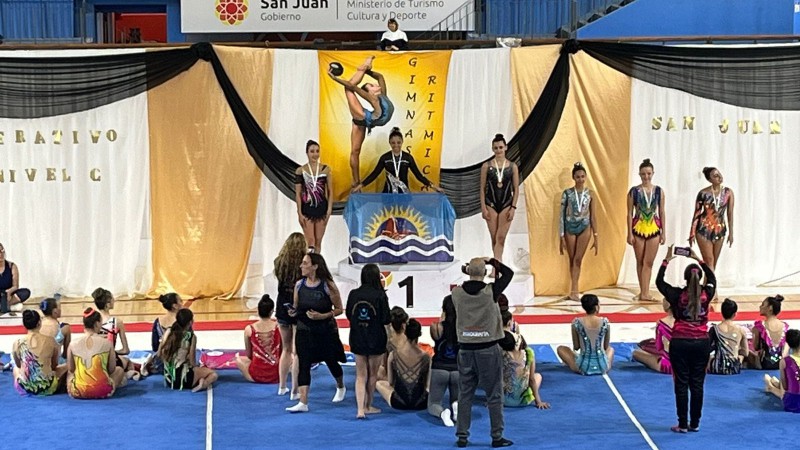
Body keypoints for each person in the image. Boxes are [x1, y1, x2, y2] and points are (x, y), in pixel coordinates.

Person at [452, 257, 514, 448]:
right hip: (487, 348)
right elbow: (509, 274)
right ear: (486, 273)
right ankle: (497, 436)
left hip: (465, 349)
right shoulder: (491, 292)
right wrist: (493, 261)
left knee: (465, 394)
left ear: (467, 271)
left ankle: (462, 435)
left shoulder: (456, 293)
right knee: (494, 394)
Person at [656, 245, 716, 433]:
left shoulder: (677, 295)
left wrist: (666, 260)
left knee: (681, 383)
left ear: (685, 278)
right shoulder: (707, 293)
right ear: (699, 278)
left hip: (680, 342)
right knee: (697, 383)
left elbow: (659, 282)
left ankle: (682, 423)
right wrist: (698, 258)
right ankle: (695, 423)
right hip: (701, 343)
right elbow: (713, 277)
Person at [286, 253, 347, 413]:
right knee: (304, 364)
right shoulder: (299, 285)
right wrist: (293, 313)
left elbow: (339, 309)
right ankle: (303, 401)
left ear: (315, 266)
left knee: (331, 361)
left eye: (305, 263)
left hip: (325, 331)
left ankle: (340, 385)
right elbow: (297, 307)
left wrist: (323, 316)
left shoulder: (328, 285)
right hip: (304, 331)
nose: (301, 266)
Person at [328, 55, 395, 184]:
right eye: (372, 86)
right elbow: (352, 87)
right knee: (348, 88)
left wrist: (368, 70)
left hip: (365, 120)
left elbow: (380, 77)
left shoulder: (383, 95)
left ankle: (365, 65)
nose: (376, 85)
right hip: (362, 117)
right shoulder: (374, 99)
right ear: (369, 93)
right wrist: (335, 78)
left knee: (355, 151)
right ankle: (356, 182)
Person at [346, 263, 391, 419]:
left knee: (360, 375)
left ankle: (359, 409)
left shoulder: (353, 294)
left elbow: (349, 315)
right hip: (376, 337)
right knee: (372, 375)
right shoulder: (380, 295)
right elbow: (386, 319)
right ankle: (368, 405)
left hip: (358, 336)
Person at [352, 127, 442, 194]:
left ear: (402, 141)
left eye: (398, 142)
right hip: (387, 194)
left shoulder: (408, 158)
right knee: (388, 219)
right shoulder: (385, 158)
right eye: (393, 143)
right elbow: (374, 175)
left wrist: (434, 187)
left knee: (403, 219)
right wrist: (359, 186)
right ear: (389, 143)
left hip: (404, 194)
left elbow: (419, 176)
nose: (396, 145)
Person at [627, 158, 666, 301]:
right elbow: (629, 213)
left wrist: (663, 232)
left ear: (653, 173)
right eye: (643, 174)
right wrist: (629, 233)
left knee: (648, 262)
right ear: (639, 174)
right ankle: (643, 291)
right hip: (638, 228)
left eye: (648, 173)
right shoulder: (634, 191)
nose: (646, 177)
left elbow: (661, 212)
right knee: (640, 261)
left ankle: (646, 291)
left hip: (653, 229)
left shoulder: (659, 191)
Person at [559, 162, 598, 301]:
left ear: (586, 177)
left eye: (582, 176)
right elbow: (561, 215)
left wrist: (596, 236)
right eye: (577, 177)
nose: (580, 179)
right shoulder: (567, 193)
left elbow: (593, 216)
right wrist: (561, 235)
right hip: (570, 226)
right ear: (573, 178)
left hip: (585, 226)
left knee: (578, 258)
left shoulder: (591, 194)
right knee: (572, 258)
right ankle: (573, 290)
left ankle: (575, 289)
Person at [67, 308, 125, 399]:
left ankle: (70, 390)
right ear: (97, 324)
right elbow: (111, 369)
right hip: (102, 391)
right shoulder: (107, 343)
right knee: (119, 370)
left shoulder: (72, 343)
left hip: (78, 391)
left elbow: (71, 369)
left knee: (69, 374)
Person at [274, 232, 306, 398]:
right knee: (297, 351)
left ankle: (281, 386)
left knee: (285, 349)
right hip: (298, 307)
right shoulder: (304, 264)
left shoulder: (279, 263)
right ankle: (295, 390)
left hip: (282, 307)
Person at [480, 134, 520, 267]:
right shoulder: (486, 166)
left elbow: (516, 189)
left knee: (500, 238)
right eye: (496, 148)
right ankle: (497, 266)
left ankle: (497, 267)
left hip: (506, 204)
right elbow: (482, 188)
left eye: (501, 147)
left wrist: (513, 208)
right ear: (492, 149)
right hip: (490, 204)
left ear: (506, 147)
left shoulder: (512, 167)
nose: (498, 150)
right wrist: (483, 208)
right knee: (494, 238)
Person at [376, 318, 430, 411]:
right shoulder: (426, 357)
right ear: (420, 334)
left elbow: (391, 382)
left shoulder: (394, 354)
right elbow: (427, 385)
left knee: (379, 383)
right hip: (421, 403)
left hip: (398, 402)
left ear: (405, 333)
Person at [158, 308, 218, 392]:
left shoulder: (168, 331)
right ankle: (203, 384)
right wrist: (197, 369)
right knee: (213, 374)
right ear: (190, 322)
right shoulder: (191, 337)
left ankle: (196, 380)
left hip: (169, 380)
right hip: (184, 379)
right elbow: (192, 361)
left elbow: (159, 353)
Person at [499, 311, 549, 409]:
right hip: (523, 401)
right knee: (537, 376)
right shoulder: (529, 353)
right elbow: (531, 380)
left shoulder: (499, 355)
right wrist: (538, 401)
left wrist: (491, 401)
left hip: (502, 400)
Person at [688, 167, 734, 271]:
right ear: (709, 180)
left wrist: (731, 233)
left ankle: (707, 285)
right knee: (709, 260)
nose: (719, 177)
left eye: (719, 174)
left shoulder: (728, 192)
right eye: (715, 176)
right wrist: (692, 233)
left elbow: (730, 214)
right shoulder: (703, 193)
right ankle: (712, 286)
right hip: (703, 230)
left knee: (713, 262)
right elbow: (697, 213)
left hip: (720, 231)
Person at [556, 294, 614, 375]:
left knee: (561, 349)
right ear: (596, 307)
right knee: (611, 349)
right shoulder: (605, 322)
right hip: (603, 366)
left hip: (582, 366)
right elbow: (606, 347)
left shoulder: (576, 323)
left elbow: (576, 346)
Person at [12, 310, 66, 396]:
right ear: (39, 323)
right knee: (66, 366)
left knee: (15, 368)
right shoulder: (51, 341)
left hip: (25, 388)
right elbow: (54, 365)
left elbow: (19, 365)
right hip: (48, 387)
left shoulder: (17, 343)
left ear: (24, 324)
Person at [427, 295, 460, 427]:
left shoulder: (435, 327)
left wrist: (443, 318)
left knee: (433, 404)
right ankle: (456, 406)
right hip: (458, 369)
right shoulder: (463, 328)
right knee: (457, 399)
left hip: (439, 368)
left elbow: (438, 337)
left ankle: (442, 413)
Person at [295, 140, 333, 252]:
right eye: (312, 151)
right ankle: (309, 265)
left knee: (318, 241)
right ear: (307, 153)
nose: (315, 154)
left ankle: (317, 267)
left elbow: (330, 191)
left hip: (322, 209)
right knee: (310, 241)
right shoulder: (300, 171)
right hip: (307, 209)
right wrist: (299, 212)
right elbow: (298, 193)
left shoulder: (326, 169)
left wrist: (329, 210)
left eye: (317, 151)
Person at [92, 287, 138, 379]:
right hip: (111, 361)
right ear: (107, 304)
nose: (114, 300)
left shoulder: (91, 321)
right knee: (128, 361)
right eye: (112, 299)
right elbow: (126, 350)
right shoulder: (117, 322)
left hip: (92, 361)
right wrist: (113, 352)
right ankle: (126, 375)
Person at [236, 295, 281, 383]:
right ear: (272, 311)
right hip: (277, 375)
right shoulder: (279, 327)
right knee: (291, 357)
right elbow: (283, 351)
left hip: (256, 375)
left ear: (258, 310)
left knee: (238, 359)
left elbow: (249, 355)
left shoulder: (249, 329)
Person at [140, 293, 183, 377]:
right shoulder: (182, 321)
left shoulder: (158, 321)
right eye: (180, 301)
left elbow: (155, 345)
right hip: (177, 361)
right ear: (175, 305)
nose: (182, 303)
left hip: (160, 361)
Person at [632, 299, 673, 374]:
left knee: (635, 353)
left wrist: (647, 346)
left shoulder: (662, 322)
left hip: (668, 365)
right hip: (689, 365)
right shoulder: (689, 321)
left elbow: (659, 347)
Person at [764, 329, 800, 413]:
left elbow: (785, 385)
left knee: (787, 386)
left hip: (791, 403)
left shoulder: (784, 361)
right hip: (793, 400)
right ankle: (771, 384)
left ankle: (771, 386)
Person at [708, 298, 748, 375]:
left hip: (718, 367)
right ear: (735, 314)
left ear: (722, 313)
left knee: (711, 357)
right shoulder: (740, 330)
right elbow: (745, 353)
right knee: (740, 356)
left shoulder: (714, 329)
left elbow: (707, 349)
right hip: (734, 368)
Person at [749, 295, 788, 370]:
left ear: (770, 308)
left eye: (763, 304)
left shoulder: (760, 326)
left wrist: (754, 334)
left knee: (745, 351)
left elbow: (756, 347)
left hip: (764, 364)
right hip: (780, 364)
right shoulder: (784, 326)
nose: (760, 307)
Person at [0, 242, 31, 314]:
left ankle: (4, 306)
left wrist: (8, 292)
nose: (1, 254)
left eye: (2, 251)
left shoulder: (12, 266)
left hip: (9, 295)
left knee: (25, 292)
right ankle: (8, 307)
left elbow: (15, 286)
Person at [39, 297, 71, 364]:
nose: (61, 310)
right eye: (59, 307)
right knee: (66, 328)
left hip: (38, 360)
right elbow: (54, 342)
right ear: (55, 311)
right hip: (53, 362)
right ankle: (65, 357)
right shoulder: (58, 326)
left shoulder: (39, 323)